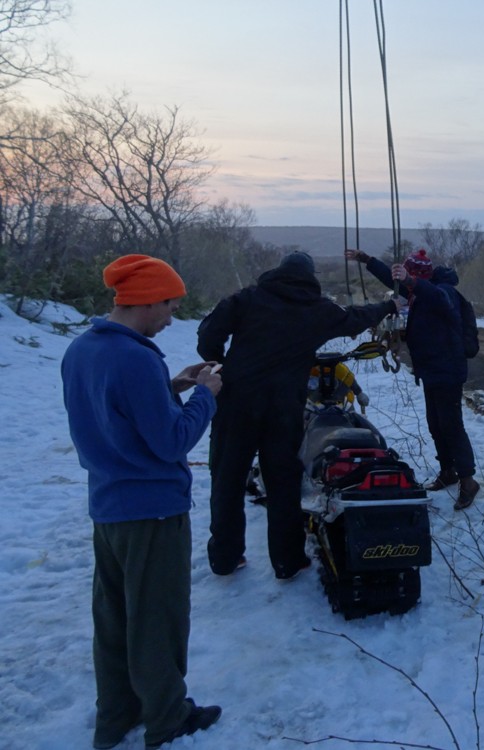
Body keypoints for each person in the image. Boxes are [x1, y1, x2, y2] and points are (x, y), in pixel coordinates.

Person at [61, 254, 224, 749]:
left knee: (114, 620)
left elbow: (116, 412)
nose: (172, 317)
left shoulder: (83, 349)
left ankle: (115, 716)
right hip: (152, 511)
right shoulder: (135, 358)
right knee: (157, 618)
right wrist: (206, 396)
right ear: (148, 299)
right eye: (170, 306)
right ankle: (168, 718)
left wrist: (171, 386)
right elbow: (171, 442)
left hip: (109, 507)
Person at [197, 251, 402, 578]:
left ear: (278, 271)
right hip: (284, 409)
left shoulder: (247, 298)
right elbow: (357, 317)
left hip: (236, 403)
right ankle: (287, 561)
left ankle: (225, 559)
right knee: (283, 483)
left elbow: (208, 335)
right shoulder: (318, 309)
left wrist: (221, 365)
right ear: (310, 277)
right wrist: (390, 305)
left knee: (227, 479)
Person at [345, 247, 480, 511]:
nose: (408, 284)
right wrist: (368, 260)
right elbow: (394, 281)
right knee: (436, 424)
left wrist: (410, 281)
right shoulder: (418, 291)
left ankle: (468, 480)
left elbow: (435, 296)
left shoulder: (445, 292)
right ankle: (448, 470)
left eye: (411, 277)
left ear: (419, 276)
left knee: (451, 426)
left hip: (448, 371)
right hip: (431, 371)